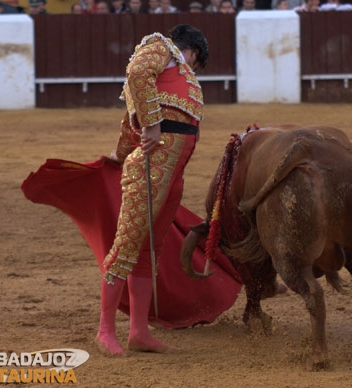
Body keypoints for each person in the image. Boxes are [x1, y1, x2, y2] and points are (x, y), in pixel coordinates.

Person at [96, 24, 209, 357]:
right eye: (196, 62)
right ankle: (105, 331)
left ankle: (139, 332)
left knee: (149, 249)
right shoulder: (162, 47)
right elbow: (137, 71)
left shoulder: (168, 78)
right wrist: (151, 125)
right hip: (152, 164)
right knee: (128, 244)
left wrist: (118, 154)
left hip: (172, 169)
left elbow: (128, 117)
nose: (193, 69)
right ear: (193, 52)